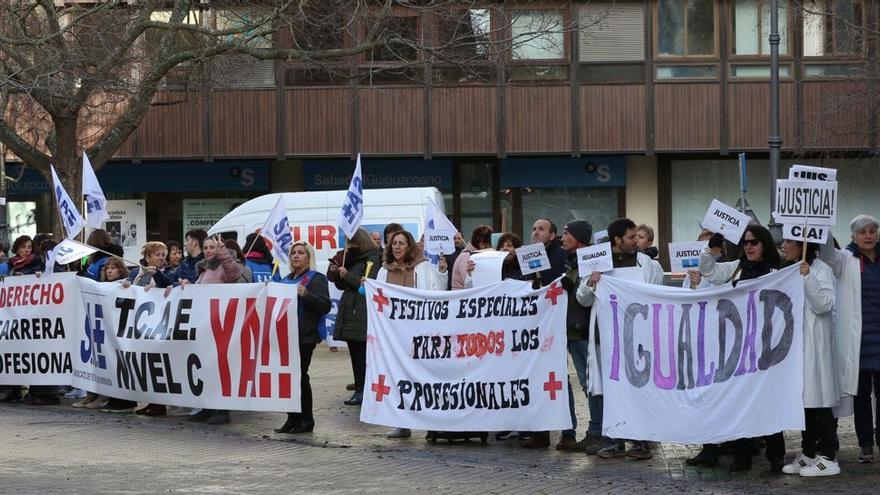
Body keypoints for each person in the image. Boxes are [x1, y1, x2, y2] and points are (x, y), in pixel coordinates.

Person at [686, 225, 784, 472]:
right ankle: (742, 455)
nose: (749, 247)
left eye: (754, 243)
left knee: (768, 400)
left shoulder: (778, 270)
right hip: (739, 346)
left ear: (764, 244)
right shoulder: (736, 267)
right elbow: (709, 271)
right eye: (746, 243)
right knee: (740, 399)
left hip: (767, 346)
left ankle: (776, 454)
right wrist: (711, 249)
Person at [579, 218, 664, 460]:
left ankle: (640, 441)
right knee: (610, 390)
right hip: (606, 339)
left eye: (637, 237)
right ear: (617, 240)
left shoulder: (645, 262)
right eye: (631, 237)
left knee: (638, 388)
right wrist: (590, 281)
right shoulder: (597, 262)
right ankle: (614, 440)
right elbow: (582, 298)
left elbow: (656, 292)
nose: (636, 241)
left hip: (638, 338)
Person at [520, 221, 595, 452]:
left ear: (551, 236)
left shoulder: (565, 256)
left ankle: (592, 431)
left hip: (575, 327)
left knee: (587, 381)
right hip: (549, 328)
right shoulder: (532, 256)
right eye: (533, 228)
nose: (535, 232)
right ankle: (554, 430)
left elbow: (566, 285)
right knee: (553, 380)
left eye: (541, 229)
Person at [778, 240, 841, 476]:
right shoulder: (790, 269)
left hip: (816, 345)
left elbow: (824, 304)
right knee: (805, 403)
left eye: (789, 242)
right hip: (799, 345)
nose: (784, 245)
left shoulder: (821, 269)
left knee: (820, 401)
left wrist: (807, 277)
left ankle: (829, 456)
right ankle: (809, 453)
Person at [819, 214, 879, 464]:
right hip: (859, 340)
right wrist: (822, 224)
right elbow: (826, 254)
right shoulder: (844, 258)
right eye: (863, 232)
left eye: (872, 231)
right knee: (862, 395)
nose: (868, 236)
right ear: (854, 235)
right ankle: (866, 444)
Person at [377, 229, 448, 438]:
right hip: (395, 335)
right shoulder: (384, 270)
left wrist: (442, 272)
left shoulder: (423, 267)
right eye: (394, 243)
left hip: (419, 332)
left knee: (423, 376)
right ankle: (402, 422)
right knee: (399, 376)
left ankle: (431, 422)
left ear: (410, 246)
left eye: (401, 243)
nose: (397, 247)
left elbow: (438, 293)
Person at [275, 241, 332, 434]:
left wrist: (307, 295)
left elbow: (325, 305)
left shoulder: (316, 279)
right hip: (286, 335)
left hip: (304, 336)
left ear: (309, 258)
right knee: (289, 378)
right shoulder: (285, 279)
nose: (296, 256)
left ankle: (306, 419)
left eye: (301, 253)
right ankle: (292, 418)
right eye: (293, 253)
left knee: (300, 376)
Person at [186, 235, 243, 425]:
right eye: (207, 247)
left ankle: (223, 409)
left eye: (212, 247)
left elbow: (233, 274)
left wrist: (223, 253)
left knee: (220, 367)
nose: (209, 250)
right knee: (207, 367)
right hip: (205, 326)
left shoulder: (224, 265)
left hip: (220, 324)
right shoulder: (204, 269)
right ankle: (208, 407)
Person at [332, 228, 381, 407]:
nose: (348, 246)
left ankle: (362, 389)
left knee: (361, 352)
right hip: (351, 309)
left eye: (351, 241)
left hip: (361, 310)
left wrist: (348, 275)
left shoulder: (371, 259)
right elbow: (341, 285)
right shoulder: (352, 258)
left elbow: (367, 284)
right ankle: (360, 385)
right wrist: (337, 273)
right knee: (355, 352)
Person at [125, 242, 174, 417]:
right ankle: (150, 402)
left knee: (156, 364)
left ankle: (159, 405)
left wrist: (158, 277)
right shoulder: (135, 273)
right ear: (147, 257)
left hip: (158, 325)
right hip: (139, 326)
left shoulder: (167, 272)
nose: (161, 258)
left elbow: (169, 284)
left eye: (163, 254)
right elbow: (129, 288)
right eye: (157, 255)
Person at [451, 225, 493, 290]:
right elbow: (470, 285)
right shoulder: (466, 257)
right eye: (490, 244)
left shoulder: (473, 254)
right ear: (482, 245)